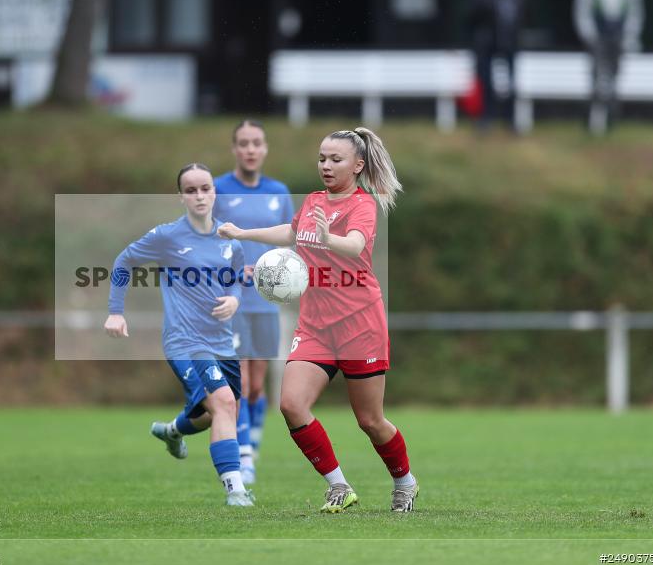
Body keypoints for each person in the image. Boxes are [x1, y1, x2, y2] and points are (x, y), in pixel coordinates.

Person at [218, 128, 419, 513]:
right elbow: (292, 233)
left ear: (358, 165)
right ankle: (339, 486)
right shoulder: (312, 200)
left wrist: (328, 238)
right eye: (322, 159)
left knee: (370, 421)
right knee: (291, 404)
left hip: (360, 324)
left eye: (335, 160)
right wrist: (243, 232)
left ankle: (404, 482)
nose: (326, 166)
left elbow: (357, 244)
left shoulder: (363, 204)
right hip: (315, 326)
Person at [104, 163, 253, 507]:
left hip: (222, 341)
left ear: (215, 192)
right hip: (185, 340)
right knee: (225, 405)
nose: (199, 195)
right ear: (180, 196)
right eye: (191, 190)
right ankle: (237, 490)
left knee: (213, 414)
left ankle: (172, 431)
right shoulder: (167, 237)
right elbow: (124, 262)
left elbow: (235, 282)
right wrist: (115, 311)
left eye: (205, 188)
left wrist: (234, 298)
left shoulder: (230, 240)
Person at [213, 119, 294, 485]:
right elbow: (203, 239)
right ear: (235, 148)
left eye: (256, 142)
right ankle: (244, 458)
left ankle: (253, 445)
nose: (250, 149)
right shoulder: (217, 189)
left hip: (266, 302)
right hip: (229, 299)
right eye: (243, 143)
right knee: (240, 384)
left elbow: (289, 241)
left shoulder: (279, 191)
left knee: (258, 387)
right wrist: (233, 267)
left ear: (264, 149)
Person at [574, 0, 645, 135]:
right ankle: (592, 118)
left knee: (614, 79)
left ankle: (611, 118)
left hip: (619, 38)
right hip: (597, 39)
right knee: (597, 78)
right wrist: (590, 37)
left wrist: (629, 37)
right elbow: (582, 11)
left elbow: (635, 13)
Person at [467, 0, 526, 130]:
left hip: (509, 41)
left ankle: (510, 120)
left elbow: (522, 15)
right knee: (486, 82)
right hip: (486, 42)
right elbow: (474, 15)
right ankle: (486, 118)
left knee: (511, 84)